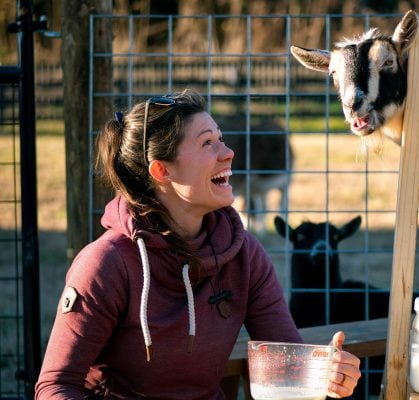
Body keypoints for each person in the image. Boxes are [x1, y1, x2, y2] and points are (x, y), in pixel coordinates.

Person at [35, 89, 361, 399]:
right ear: (161, 170)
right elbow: (54, 386)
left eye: (221, 138)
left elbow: (289, 362)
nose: (228, 152)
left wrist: (328, 373)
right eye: (207, 143)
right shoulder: (106, 264)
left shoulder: (243, 254)